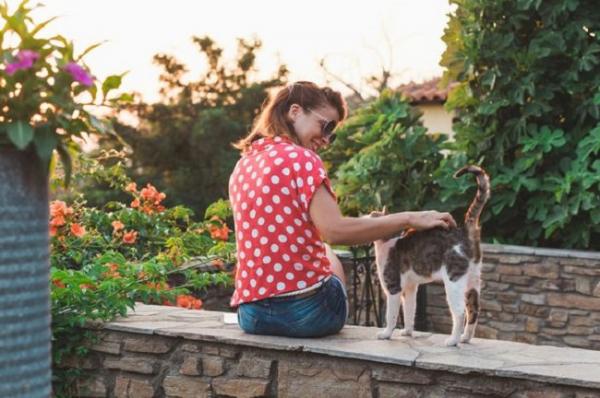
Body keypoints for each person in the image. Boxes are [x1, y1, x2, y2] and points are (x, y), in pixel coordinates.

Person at [228, 81, 456, 338]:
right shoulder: (302, 159)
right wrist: (410, 218)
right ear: (295, 112)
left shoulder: (244, 165)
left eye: (332, 133)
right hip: (309, 314)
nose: (326, 139)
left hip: (251, 316)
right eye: (325, 126)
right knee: (327, 252)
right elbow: (335, 232)